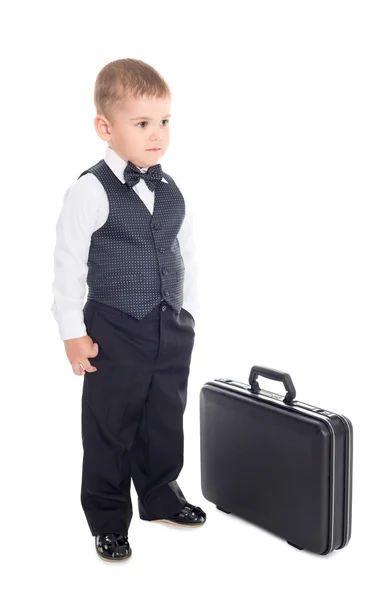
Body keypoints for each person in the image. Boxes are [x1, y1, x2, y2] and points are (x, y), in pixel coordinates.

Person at [50, 58, 206, 562]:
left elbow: (185, 254)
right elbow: (69, 264)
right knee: (110, 424)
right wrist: (73, 332)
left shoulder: (172, 188)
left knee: (164, 416)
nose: (157, 134)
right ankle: (107, 516)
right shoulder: (89, 190)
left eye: (164, 121)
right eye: (142, 123)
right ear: (106, 127)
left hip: (169, 325)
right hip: (115, 326)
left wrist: (188, 314)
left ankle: (160, 495)